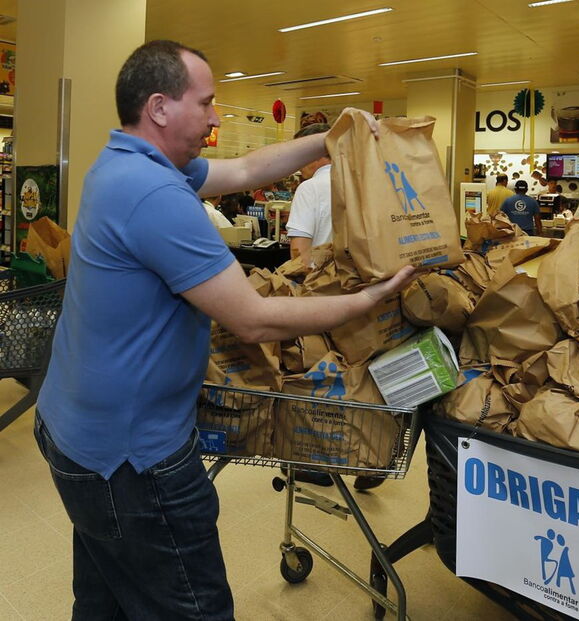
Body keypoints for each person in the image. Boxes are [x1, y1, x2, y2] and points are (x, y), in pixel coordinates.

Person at [33, 40, 418, 619]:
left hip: (78, 435)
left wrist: (333, 136)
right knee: (195, 606)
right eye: (207, 102)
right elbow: (251, 316)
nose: (217, 117)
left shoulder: (123, 162)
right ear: (160, 107)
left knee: (107, 599)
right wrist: (365, 299)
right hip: (133, 460)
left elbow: (244, 169)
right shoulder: (155, 193)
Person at [287, 122, 332, 261]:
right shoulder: (359, 183)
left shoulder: (309, 188)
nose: (298, 164)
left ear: (316, 154)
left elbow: (299, 251)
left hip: (322, 278)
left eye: (301, 156)